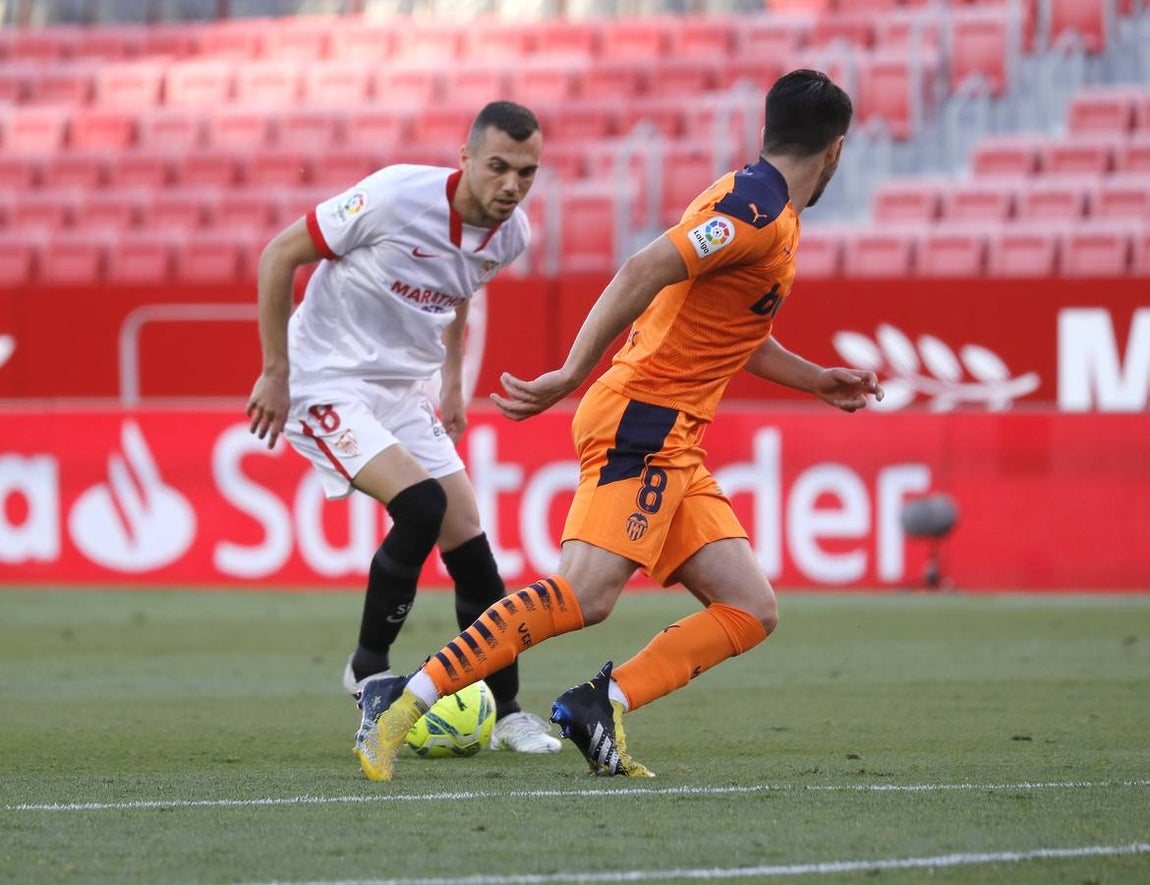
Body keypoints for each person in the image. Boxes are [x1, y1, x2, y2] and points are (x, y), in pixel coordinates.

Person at [353, 69, 884, 782]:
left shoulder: (759, 208)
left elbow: (736, 331)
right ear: (836, 151)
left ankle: (600, 701)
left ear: (769, 130)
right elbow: (643, 267)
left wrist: (816, 378)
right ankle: (400, 701)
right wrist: (571, 371)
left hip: (675, 434)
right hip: (645, 420)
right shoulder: (756, 210)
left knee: (750, 607)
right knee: (584, 594)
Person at [245, 101, 562, 760]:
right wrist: (276, 370)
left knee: (472, 548)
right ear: (466, 159)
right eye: (498, 167)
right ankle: (368, 673)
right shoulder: (395, 197)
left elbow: (461, 285)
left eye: (526, 173)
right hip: (325, 380)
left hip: (402, 392)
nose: (511, 185)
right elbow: (281, 255)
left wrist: (450, 381)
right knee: (421, 504)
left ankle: (507, 712)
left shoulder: (512, 234)